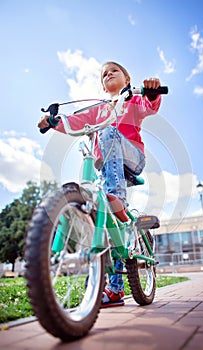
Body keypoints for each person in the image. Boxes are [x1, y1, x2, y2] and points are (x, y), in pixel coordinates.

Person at [38, 61, 162, 307]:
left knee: (106, 135)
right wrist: (53, 122)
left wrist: (151, 91)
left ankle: (115, 196)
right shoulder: (99, 108)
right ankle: (114, 290)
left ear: (127, 80)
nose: (108, 75)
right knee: (108, 226)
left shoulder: (132, 100)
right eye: (104, 74)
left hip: (131, 157)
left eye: (113, 71)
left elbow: (150, 105)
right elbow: (75, 121)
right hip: (108, 165)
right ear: (102, 87)